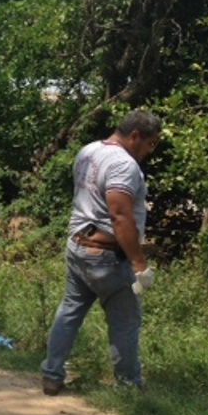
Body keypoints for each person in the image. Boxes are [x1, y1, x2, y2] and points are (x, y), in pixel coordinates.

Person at [41, 110, 162, 395]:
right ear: (135, 136)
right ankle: (129, 386)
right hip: (107, 255)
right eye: (150, 143)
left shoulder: (88, 151)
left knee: (70, 310)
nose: (149, 150)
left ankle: (52, 374)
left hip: (78, 246)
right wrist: (139, 264)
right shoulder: (124, 165)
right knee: (126, 320)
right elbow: (120, 215)